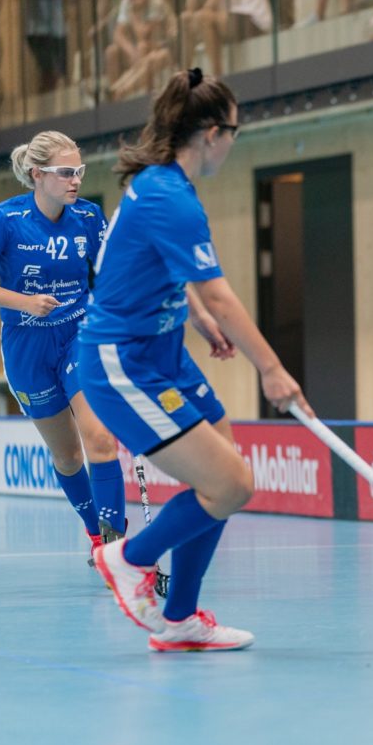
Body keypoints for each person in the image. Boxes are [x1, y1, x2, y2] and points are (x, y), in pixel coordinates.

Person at [80, 68, 309, 652]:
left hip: (165, 354)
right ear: (211, 133)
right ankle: (128, 559)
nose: (234, 142)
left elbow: (145, 270)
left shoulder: (161, 187)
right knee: (231, 485)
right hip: (122, 363)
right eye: (234, 130)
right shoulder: (167, 196)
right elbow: (220, 294)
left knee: (225, 464)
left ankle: (179, 618)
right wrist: (272, 369)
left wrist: (193, 318)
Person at [0, 131, 130, 563]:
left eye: (79, 172)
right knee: (68, 455)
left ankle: (117, 548)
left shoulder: (88, 217)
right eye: (66, 173)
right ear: (37, 175)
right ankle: (95, 533)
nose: (76, 181)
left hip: (78, 336)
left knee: (101, 440)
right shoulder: (5, 219)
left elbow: (111, 276)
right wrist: (24, 302)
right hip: (26, 346)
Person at [105, 0, 176, 99]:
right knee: (113, 51)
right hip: (141, 50)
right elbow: (118, 34)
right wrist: (130, 51)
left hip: (162, 48)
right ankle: (115, 88)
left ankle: (121, 91)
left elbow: (144, 34)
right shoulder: (127, 2)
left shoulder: (156, 2)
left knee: (143, 49)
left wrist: (133, 15)